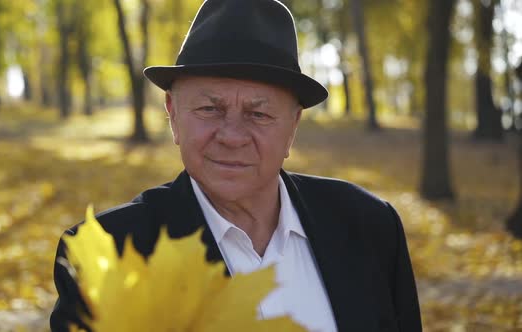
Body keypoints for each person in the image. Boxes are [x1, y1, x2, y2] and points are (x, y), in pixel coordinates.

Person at [50, 0, 422, 331]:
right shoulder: (109, 255)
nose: (231, 136)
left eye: (258, 114)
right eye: (210, 108)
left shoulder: (370, 225)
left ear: (292, 127)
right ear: (173, 114)